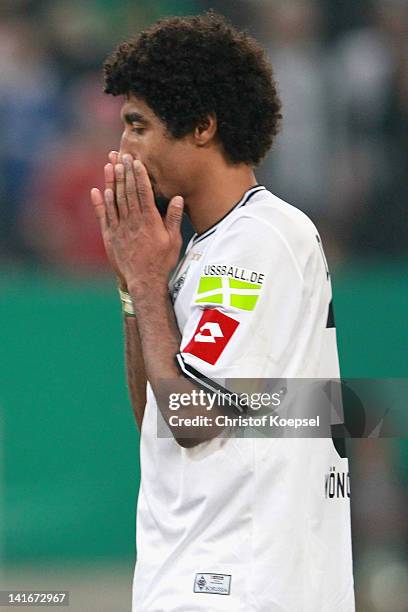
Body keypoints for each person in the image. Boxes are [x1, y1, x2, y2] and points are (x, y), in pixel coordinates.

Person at [90, 12, 355, 612]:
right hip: (213, 576)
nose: (122, 149)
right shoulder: (215, 248)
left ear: (203, 126)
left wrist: (150, 282)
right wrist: (137, 288)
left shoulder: (255, 242)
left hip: (236, 584)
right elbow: (157, 418)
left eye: (138, 126)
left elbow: (190, 415)